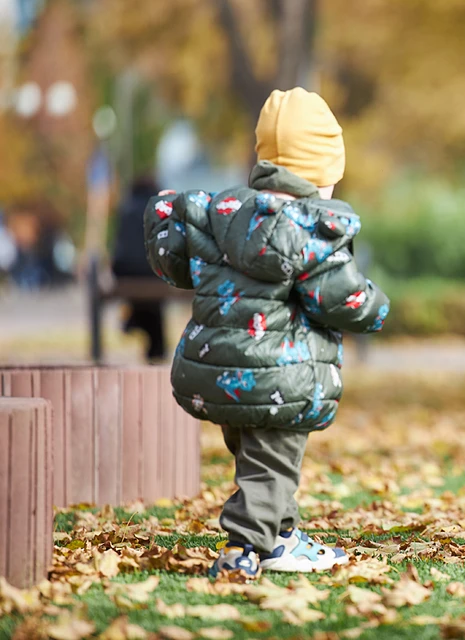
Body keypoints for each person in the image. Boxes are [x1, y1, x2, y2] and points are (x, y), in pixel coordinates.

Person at [144, 87, 391, 578]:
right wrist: (377, 307)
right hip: (280, 377)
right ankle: (245, 550)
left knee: (258, 460)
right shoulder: (305, 228)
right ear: (318, 174)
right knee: (271, 465)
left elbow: (173, 263)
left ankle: (280, 537)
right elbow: (341, 297)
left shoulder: (222, 216)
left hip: (218, 370)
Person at [112, 175, 167, 361]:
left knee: (141, 297)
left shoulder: (125, 210)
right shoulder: (160, 209)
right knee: (154, 301)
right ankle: (155, 345)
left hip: (127, 272)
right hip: (154, 273)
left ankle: (135, 320)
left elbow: (120, 248)